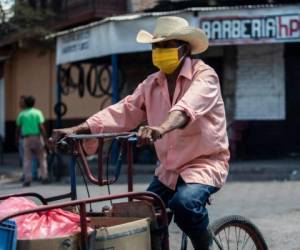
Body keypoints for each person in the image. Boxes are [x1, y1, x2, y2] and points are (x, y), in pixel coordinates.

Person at [50, 16, 229, 250]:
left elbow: (187, 108)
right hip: (168, 169)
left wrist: (160, 128)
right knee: (140, 215)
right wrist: (77, 129)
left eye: (166, 46)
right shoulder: (151, 84)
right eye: (156, 46)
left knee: (184, 205)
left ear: (183, 49)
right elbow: (123, 111)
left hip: (203, 163)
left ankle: (205, 247)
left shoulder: (205, 76)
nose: (159, 51)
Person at [16, 95, 49, 186]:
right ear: (34, 103)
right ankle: (44, 177)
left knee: (27, 159)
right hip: (38, 137)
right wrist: (46, 140)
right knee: (42, 158)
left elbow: (18, 128)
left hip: (26, 138)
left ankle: (27, 179)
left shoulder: (22, 114)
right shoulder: (38, 113)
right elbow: (41, 127)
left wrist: (16, 139)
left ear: (25, 103)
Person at [17, 95, 39, 180]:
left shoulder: (24, 114)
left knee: (29, 158)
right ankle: (27, 174)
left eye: (21, 102)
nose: (20, 104)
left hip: (27, 138)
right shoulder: (23, 113)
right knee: (24, 158)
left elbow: (19, 128)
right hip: (24, 137)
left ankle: (31, 174)